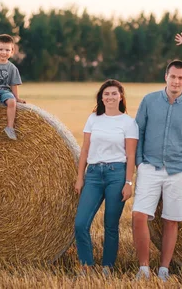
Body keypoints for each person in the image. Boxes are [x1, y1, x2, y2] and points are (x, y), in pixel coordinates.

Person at [132, 60, 182, 282]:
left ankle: (164, 269)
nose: (176, 81)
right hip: (149, 167)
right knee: (138, 216)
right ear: (166, 76)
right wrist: (139, 163)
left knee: (171, 220)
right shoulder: (149, 101)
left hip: (178, 171)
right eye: (173, 76)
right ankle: (143, 269)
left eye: (181, 78)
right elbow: (139, 132)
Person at [74, 79, 138, 275]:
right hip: (93, 174)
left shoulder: (128, 122)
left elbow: (131, 155)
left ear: (121, 97)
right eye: (106, 94)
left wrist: (128, 182)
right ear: (101, 97)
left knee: (111, 225)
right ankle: (86, 265)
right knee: (80, 223)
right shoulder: (93, 118)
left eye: (114, 93)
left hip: (116, 175)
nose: (110, 97)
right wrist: (80, 177)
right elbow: (85, 149)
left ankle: (107, 267)